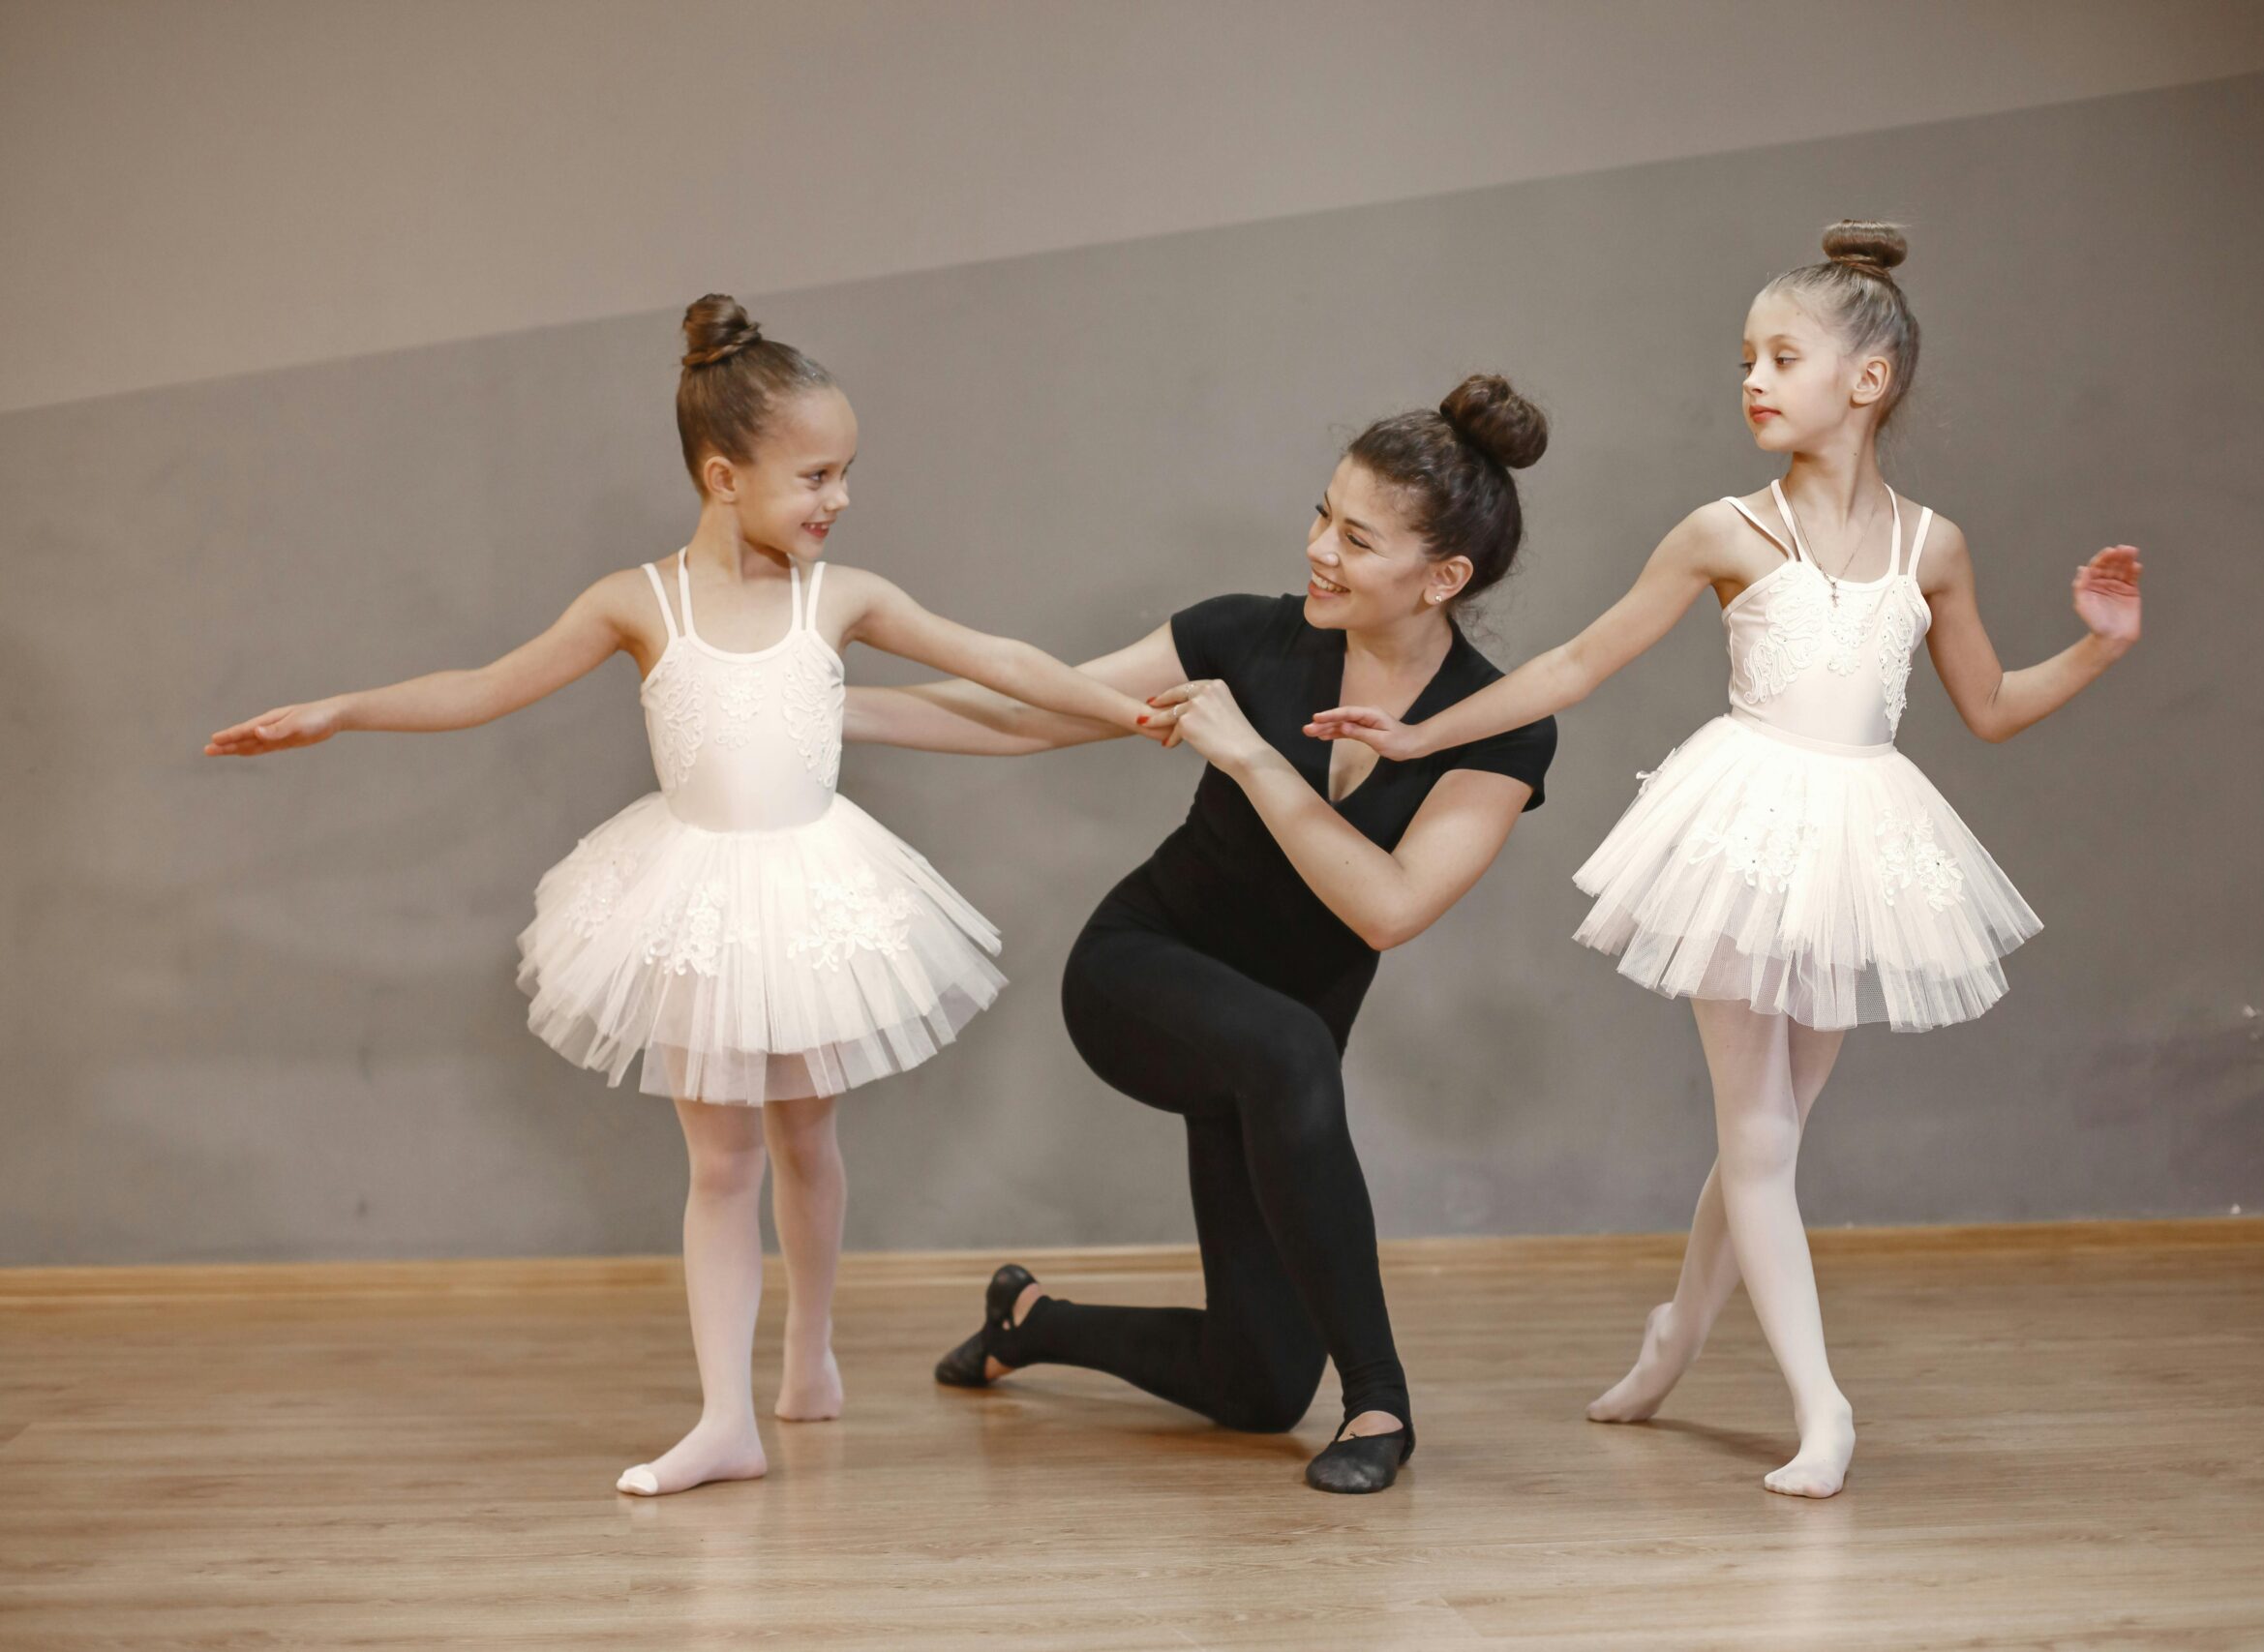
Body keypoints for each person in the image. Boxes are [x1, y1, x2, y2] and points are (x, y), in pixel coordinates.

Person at [205, 295, 1156, 1496]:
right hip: (693, 902)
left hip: (812, 893)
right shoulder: (634, 605)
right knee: (721, 1166)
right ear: (723, 476)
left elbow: (997, 660)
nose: (840, 498)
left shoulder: (843, 597)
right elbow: (485, 686)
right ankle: (724, 1419)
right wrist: (341, 710)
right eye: (816, 474)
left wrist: (1122, 710)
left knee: (807, 1133)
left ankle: (808, 1352)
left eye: (846, 472)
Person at [1307, 225, 2145, 1497]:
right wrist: (1424, 728)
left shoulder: (1937, 548)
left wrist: (2097, 647)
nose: (1751, 376)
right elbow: (1577, 662)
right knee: (1757, 1129)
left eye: (1782, 354)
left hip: (1861, 840)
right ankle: (1825, 1407)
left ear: (1866, 381)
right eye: (1745, 355)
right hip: (1747, 833)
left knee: (1775, 1132)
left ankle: (1671, 1340)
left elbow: (1988, 704)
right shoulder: (1724, 531)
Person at [849, 375, 1558, 1493]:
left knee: (1258, 1386)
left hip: (1276, 1063)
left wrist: (1251, 758)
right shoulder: (1242, 634)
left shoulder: (1495, 728)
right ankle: (1381, 1402)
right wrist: (823, 710)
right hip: (1139, 976)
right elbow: (1032, 713)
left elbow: (1386, 906)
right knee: (1288, 1050)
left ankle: (1028, 1319)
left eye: (1356, 536)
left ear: (1443, 578)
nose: (1317, 546)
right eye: (1322, 512)